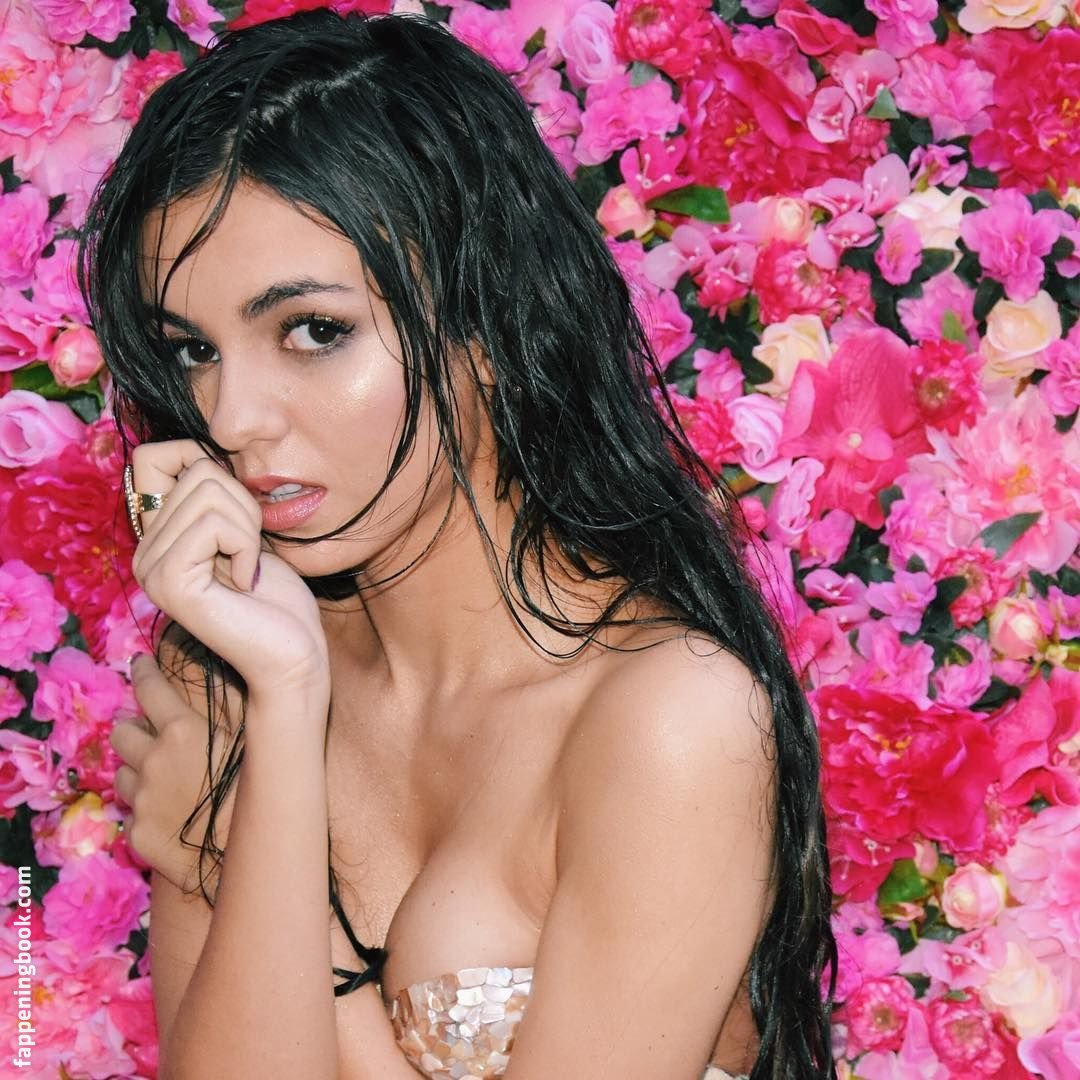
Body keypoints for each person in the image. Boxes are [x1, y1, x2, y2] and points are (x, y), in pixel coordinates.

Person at [87, 9, 837, 1079]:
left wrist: (254, 849)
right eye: (194, 350)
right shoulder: (237, 675)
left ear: (488, 322)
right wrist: (285, 707)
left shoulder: (669, 718)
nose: (232, 416)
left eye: (313, 331)